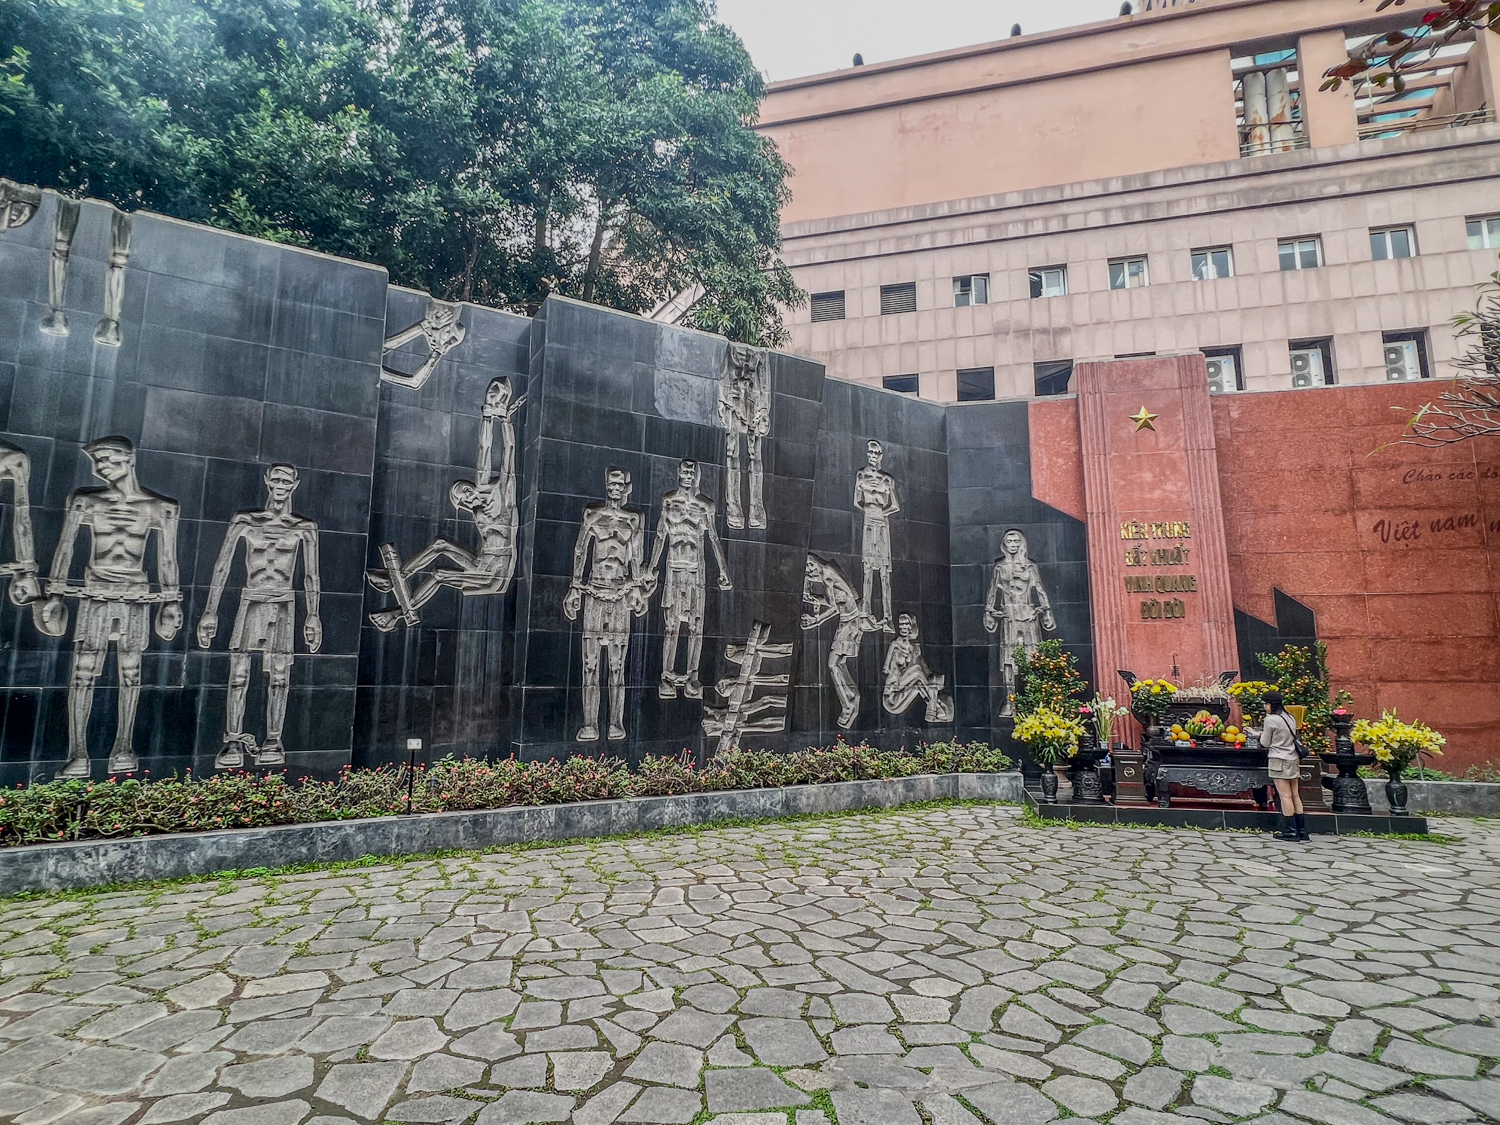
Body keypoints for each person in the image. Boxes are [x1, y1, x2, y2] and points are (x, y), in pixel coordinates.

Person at [37, 437, 182, 777]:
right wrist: (55, 596)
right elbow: (65, 548)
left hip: (135, 594)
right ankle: (78, 753)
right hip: (95, 591)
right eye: (96, 462)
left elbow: (167, 558)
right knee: (84, 671)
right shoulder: (86, 501)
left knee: (131, 671)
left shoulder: (161, 507)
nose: (100, 467)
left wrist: (171, 602)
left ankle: (124, 747)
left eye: (106, 460)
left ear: (128, 459)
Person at [197, 464, 323, 769]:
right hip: (251, 599)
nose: (280, 484)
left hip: (283, 602)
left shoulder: (304, 527)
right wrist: (210, 611)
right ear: (267, 481)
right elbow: (222, 566)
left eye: (286, 479)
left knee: (280, 676)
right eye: (276, 478)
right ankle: (232, 741)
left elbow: (310, 575)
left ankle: (273, 740)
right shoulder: (245, 520)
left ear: (295, 484)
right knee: (238, 673)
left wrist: (313, 615)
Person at [565, 468, 652, 742]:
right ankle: (589, 722)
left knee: (617, 665)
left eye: (619, 483)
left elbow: (636, 557)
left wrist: (638, 588)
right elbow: (580, 551)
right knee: (589, 664)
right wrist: (574, 588)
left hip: (620, 591)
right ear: (606, 485)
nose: (615, 487)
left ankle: (616, 722)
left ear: (627, 486)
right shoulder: (593, 515)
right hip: (594, 591)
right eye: (611, 482)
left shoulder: (634, 519)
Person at [647, 459, 733, 700]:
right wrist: (652, 568)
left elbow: (714, 539)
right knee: (671, 626)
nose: (687, 474)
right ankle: (666, 675)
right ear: (678, 473)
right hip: (674, 569)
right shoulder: (668, 502)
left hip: (696, 571)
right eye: (684, 470)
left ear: (698, 475)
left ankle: (692, 674)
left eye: (691, 471)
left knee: (695, 625)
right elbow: (659, 537)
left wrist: (723, 570)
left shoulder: (705, 505)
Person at [1258, 690, 1308, 841]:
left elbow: (1265, 742)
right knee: (1295, 794)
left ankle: (1290, 831)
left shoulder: (1271, 719)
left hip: (1278, 759)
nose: (1264, 706)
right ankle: (1302, 831)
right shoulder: (1289, 717)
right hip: (1293, 758)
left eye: (1265, 703)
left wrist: (1257, 735)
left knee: (1284, 795)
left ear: (1269, 704)